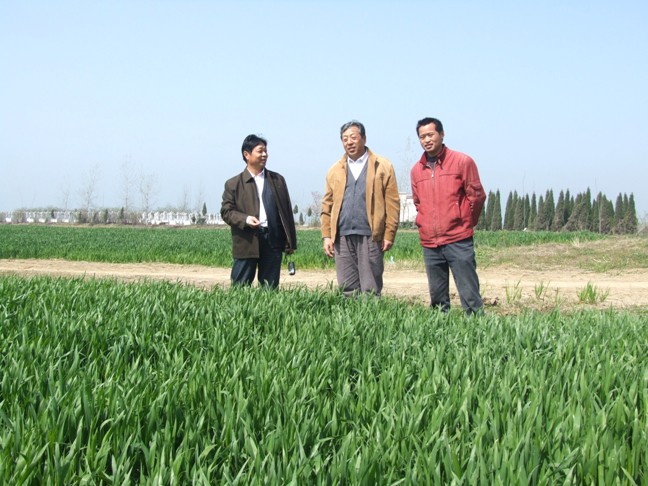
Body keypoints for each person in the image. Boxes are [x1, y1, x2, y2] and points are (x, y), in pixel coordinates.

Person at [411, 117, 486, 315]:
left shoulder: (462, 161)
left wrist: (465, 221)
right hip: (430, 242)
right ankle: (440, 328)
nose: (427, 140)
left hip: (458, 239)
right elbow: (418, 202)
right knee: (437, 296)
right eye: (422, 137)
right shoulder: (417, 170)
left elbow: (477, 196)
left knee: (469, 292)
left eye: (430, 135)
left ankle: (477, 325)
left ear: (442, 134)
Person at [321, 120, 400, 297]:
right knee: (347, 288)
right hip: (342, 236)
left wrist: (389, 234)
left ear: (363, 138)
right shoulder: (335, 169)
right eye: (345, 139)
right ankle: (351, 316)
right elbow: (327, 204)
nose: (349, 142)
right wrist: (326, 235)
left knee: (370, 288)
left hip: (371, 235)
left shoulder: (382, 166)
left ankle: (371, 315)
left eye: (353, 137)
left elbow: (393, 203)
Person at [221, 134, 297, 288]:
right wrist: (245, 219)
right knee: (240, 288)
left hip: (272, 240)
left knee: (270, 289)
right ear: (246, 154)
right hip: (246, 241)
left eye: (266, 151)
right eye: (260, 151)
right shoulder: (233, 184)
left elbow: (287, 212)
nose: (264, 155)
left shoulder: (277, 180)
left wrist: (290, 242)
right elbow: (226, 211)